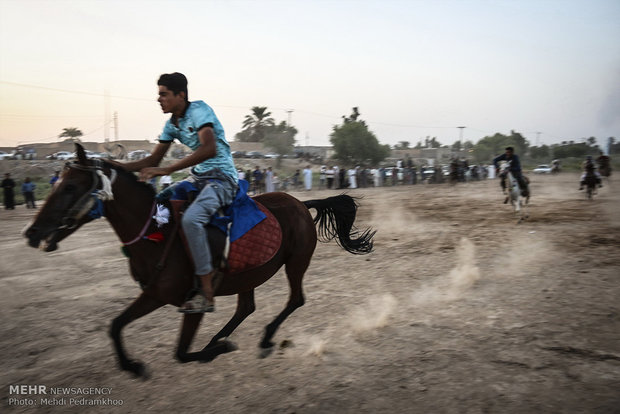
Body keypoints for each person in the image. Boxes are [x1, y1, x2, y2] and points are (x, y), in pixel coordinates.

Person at [117, 72, 238, 313]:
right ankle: (162, 248)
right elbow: (152, 159)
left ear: (180, 95)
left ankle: (206, 291)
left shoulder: (200, 111)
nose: (159, 99)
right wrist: (115, 167)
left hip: (221, 178)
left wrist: (167, 170)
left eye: (164, 94)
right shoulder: (171, 124)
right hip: (198, 177)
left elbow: (209, 148)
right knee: (159, 202)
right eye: (159, 94)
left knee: (192, 219)